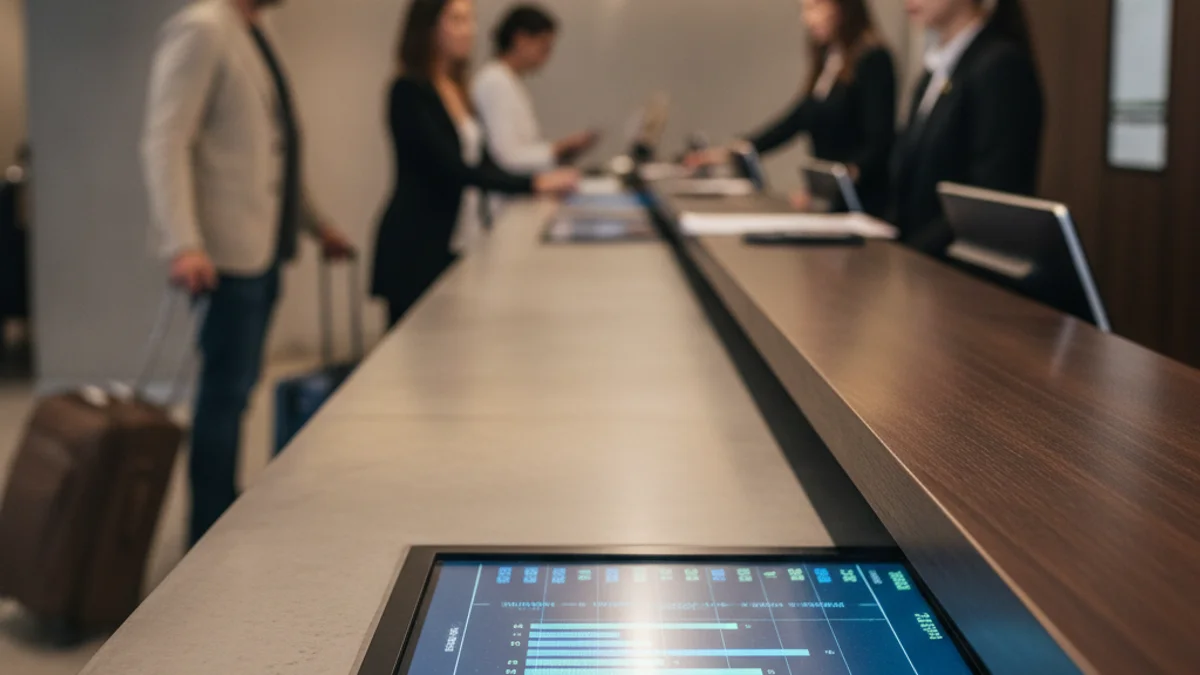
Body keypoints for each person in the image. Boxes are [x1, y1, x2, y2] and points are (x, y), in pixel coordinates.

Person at [142, 0, 354, 545]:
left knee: (237, 391)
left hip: (261, 249)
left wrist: (316, 224)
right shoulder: (202, 28)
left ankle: (220, 509)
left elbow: (276, 151)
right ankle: (207, 526)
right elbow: (166, 139)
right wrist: (183, 243)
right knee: (223, 391)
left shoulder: (253, 32)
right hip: (223, 257)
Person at [371, 0, 578, 327]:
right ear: (429, 27)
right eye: (457, 20)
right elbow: (452, 169)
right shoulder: (409, 91)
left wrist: (537, 182)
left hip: (454, 238)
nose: (469, 31)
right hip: (416, 243)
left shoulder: (456, 89)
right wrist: (531, 184)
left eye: (471, 21)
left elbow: (483, 161)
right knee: (414, 360)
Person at [685, 0, 896, 217]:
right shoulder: (831, 60)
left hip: (862, 206)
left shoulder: (873, 59)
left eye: (815, 7)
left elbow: (878, 144)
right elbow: (794, 122)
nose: (806, 19)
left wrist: (829, 185)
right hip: (831, 206)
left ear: (843, 7)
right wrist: (731, 153)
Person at [891, 0, 1044, 255]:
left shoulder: (999, 65)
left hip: (960, 276)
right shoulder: (935, 71)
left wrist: (910, 253)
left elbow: (988, 201)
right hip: (921, 269)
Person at [472, 5, 598, 176]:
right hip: (507, 195)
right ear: (520, 40)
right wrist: (556, 150)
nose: (548, 55)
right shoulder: (494, 81)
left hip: (521, 189)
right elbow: (505, 156)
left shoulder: (509, 80)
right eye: (544, 46)